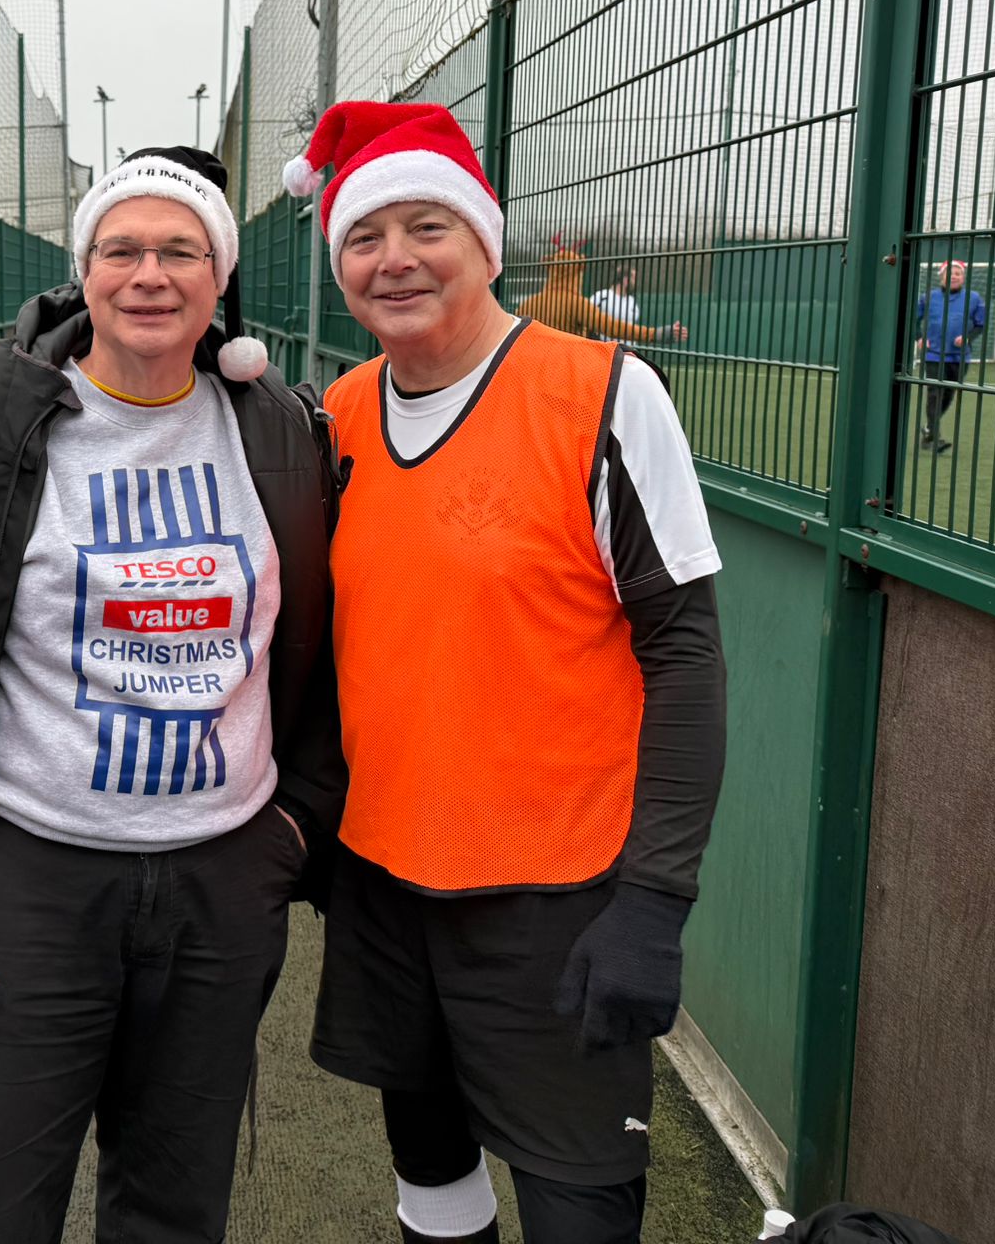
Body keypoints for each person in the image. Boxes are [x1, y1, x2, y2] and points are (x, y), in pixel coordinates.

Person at [0, 145, 347, 1243]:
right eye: (122, 250)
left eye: (180, 252)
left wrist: (294, 829)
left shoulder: (282, 434)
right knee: (2, 1207)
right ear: (84, 271)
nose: (149, 275)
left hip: (221, 881)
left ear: (219, 277)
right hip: (31, 882)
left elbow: (322, 646)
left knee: (175, 1208)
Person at [281, 102, 726, 1244]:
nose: (394, 259)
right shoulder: (336, 419)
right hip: (382, 880)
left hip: (558, 895)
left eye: (424, 227)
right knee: (429, 1169)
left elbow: (684, 653)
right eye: (363, 237)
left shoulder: (602, 393)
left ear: (483, 243)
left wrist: (655, 901)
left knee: (579, 1201)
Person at [514, 242, 686, 347]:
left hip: (532, 371)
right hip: (565, 371)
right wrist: (655, 334)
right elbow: (611, 327)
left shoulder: (528, 304)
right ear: (578, 271)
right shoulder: (577, 303)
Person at [914, 259, 986, 453]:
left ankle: (929, 429)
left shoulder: (974, 298)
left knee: (948, 394)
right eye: (950, 273)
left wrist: (968, 338)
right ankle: (934, 437)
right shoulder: (928, 297)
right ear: (942, 276)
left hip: (959, 357)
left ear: (963, 277)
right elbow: (913, 319)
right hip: (934, 355)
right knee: (934, 393)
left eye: (957, 273)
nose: (953, 277)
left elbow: (980, 324)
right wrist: (919, 337)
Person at [587, 264, 641, 340]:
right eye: (633, 278)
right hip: (606, 345)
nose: (635, 282)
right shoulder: (602, 296)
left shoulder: (632, 301)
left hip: (628, 346)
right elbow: (587, 315)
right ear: (625, 280)